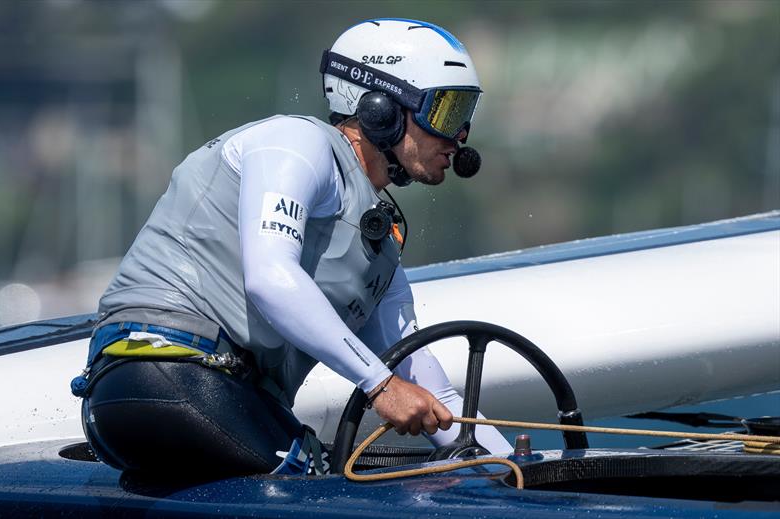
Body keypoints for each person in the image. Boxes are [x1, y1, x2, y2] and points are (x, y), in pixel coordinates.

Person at [71, 18, 512, 478]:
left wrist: (514, 471)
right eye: (445, 112)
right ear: (380, 107)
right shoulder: (296, 143)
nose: (458, 136)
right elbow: (270, 280)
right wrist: (380, 384)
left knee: (330, 475)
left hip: (224, 395)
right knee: (322, 484)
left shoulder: (380, 250)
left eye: (465, 114)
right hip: (163, 370)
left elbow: (430, 391)